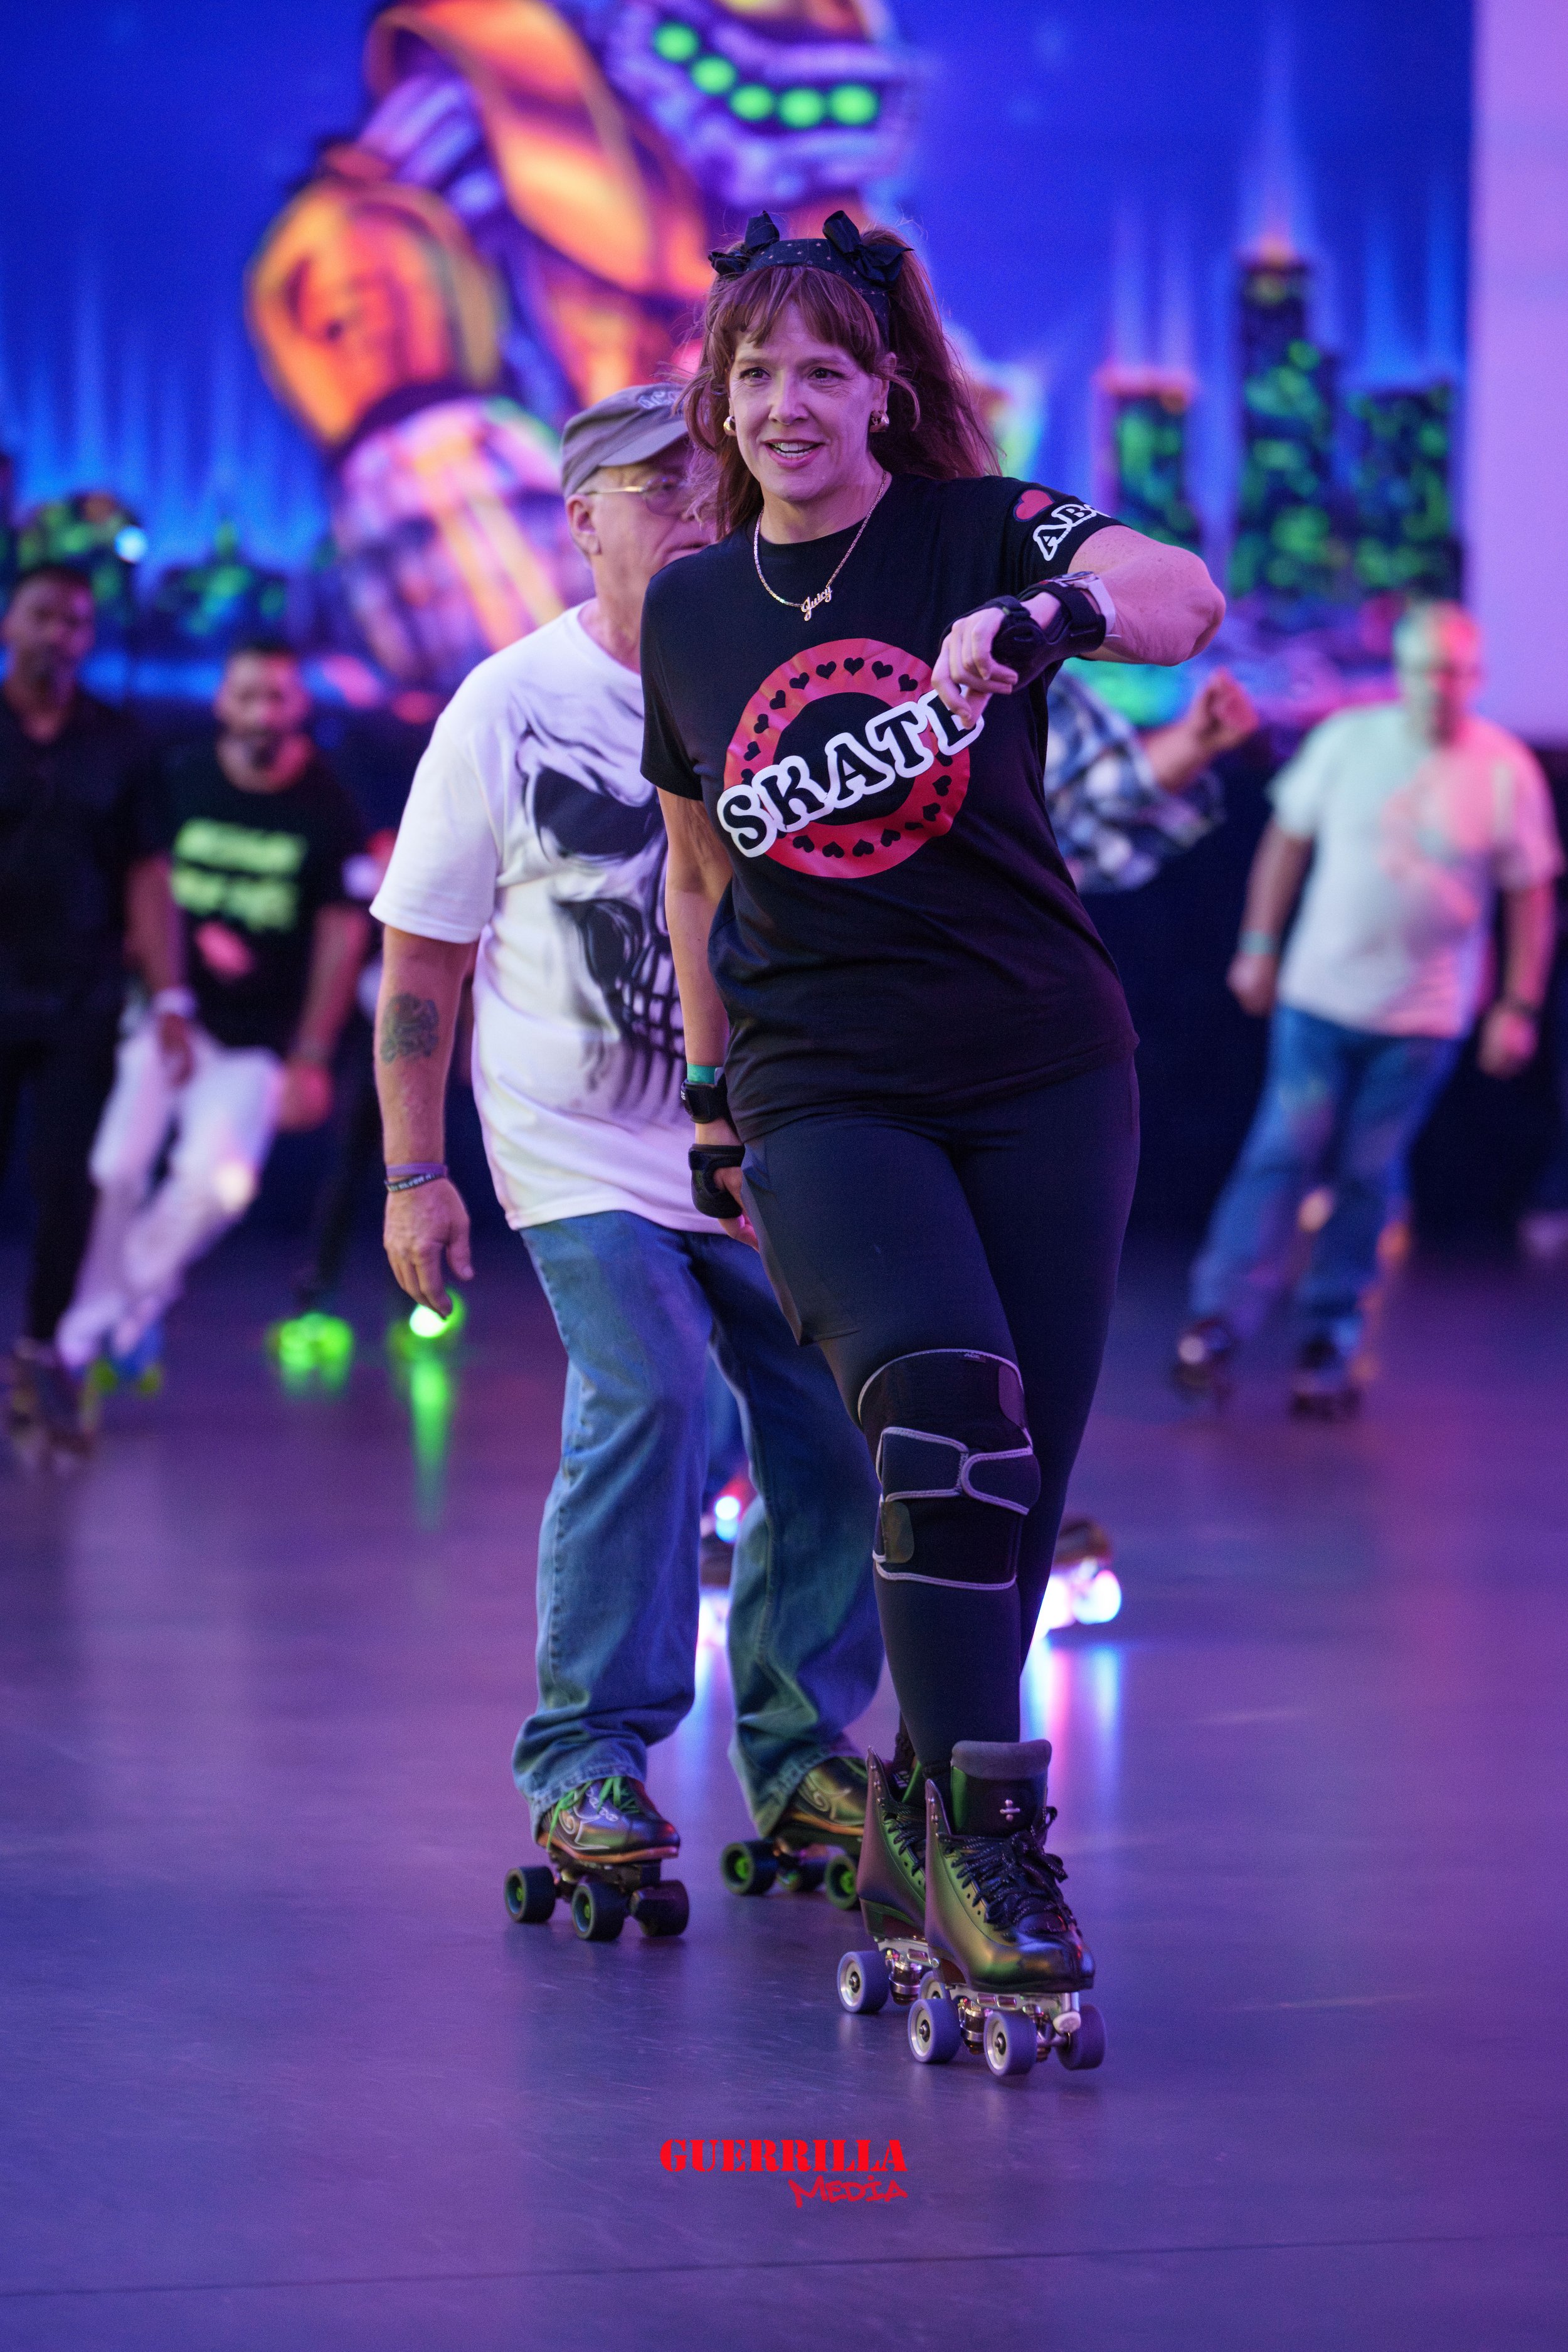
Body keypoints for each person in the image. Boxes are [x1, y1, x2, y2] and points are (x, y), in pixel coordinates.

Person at [644, 212, 1221, 2008]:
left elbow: (1179, 593)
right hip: (825, 1084)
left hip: (1046, 1064)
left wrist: (1042, 612)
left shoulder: (974, 530)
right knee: (948, 1420)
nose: (789, 399)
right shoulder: (689, 605)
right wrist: (718, 1100)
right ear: (720, 408)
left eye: (824, 366)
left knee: (1019, 1492)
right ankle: (988, 1834)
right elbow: (688, 876)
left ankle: (908, 1812)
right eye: (757, 371)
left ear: (887, 393)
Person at [369, 382, 882, 1900]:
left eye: (708, 490)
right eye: (659, 491)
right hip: (578, 1151)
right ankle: (588, 1758)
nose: (697, 514)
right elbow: (420, 962)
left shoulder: (770, 677)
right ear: (578, 518)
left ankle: (799, 1760)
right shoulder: (507, 705)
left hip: (756, 1149)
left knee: (834, 1426)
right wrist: (415, 1170)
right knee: (656, 1392)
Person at [1173, 601, 1562, 1415]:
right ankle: (1218, 1322)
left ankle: (1330, 1337)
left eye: (1455, 671)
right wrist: (1257, 945)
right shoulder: (1350, 741)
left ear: (1475, 679)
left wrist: (1517, 1004)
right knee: (1285, 1147)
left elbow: (1532, 896)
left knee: (1365, 1170)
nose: (1439, 686)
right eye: (1425, 668)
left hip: (1423, 1020)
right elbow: (1287, 840)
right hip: (1320, 999)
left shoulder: (1504, 769)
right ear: (1404, 672)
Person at [58, 644, 368, 1378]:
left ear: (301, 709)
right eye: (249, 696)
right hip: (169, 1017)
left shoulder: (329, 806)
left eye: (279, 698)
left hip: (260, 1041)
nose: (263, 712)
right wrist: (174, 965)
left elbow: (342, 933)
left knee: (218, 1187)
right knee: (114, 1169)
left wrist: (313, 1055)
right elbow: (141, 883)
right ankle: (98, 1332)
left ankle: (108, 1312)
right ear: (223, 703)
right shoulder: (180, 778)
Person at [1, 564, 190, 1460]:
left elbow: (148, 877)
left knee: (67, 1182)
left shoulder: (122, 744)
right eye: (43, 615)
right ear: (11, 621)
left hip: (79, 996)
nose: (58, 635)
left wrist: (172, 996)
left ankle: (43, 1355)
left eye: (75, 623)